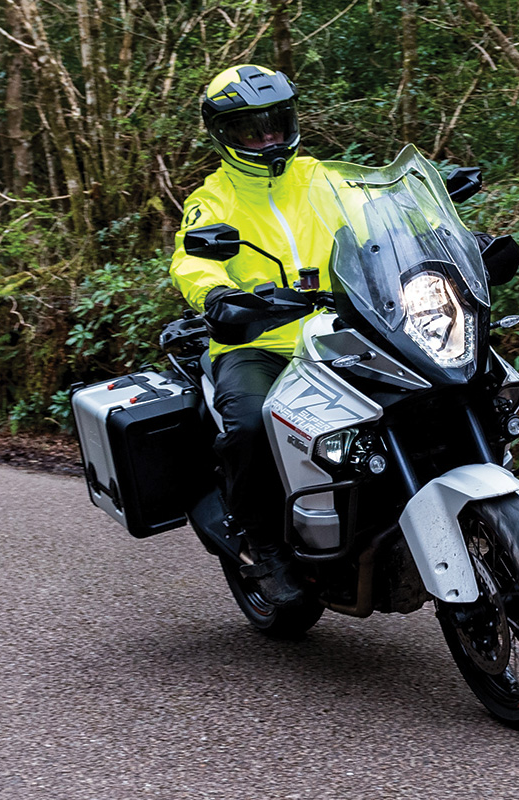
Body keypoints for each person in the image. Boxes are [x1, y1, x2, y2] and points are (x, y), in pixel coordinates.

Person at [169, 64, 335, 607]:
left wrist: (446, 232)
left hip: (340, 331)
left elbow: (385, 214)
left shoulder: (324, 177)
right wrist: (218, 296)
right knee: (247, 423)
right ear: (224, 134)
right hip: (255, 344)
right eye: (250, 129)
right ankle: (261, 544)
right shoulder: (213, 199)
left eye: (277, 123)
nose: (269, 138)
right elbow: (192, 259)